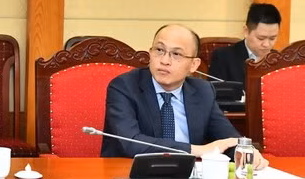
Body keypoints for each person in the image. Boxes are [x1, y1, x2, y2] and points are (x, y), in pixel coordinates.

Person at [101, 24, 267, 169]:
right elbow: (131, 142)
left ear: (193, 65)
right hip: (131, 178)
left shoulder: (202, 91)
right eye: (159, 50)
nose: (165, 60)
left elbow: (227, 138)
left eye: (176, 54)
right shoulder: (125, 86)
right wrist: (196, 150)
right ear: (150, 53)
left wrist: (245, 151)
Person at [209, 3, 281, 88]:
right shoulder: (223, 57)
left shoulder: (280, 60)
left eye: (272, 38)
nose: (266, 44)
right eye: (261, 38)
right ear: (246, 31)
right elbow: (216, 95)